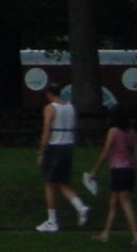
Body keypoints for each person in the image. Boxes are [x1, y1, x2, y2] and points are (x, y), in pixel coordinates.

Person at [39, 82, 92, 233]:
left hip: (55, 147)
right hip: (68, 147)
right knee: (62, 183)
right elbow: (75, 129)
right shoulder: (70, 107)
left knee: (49, 183)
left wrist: (41, 152)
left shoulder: (50, 108)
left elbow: (46, 130)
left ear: (49, 94)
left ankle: (52, 220)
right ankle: (81, 207)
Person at [88, 104, 137, 244]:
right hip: (129, 171)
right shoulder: (132, 133)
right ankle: (105, 234)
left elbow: (105, 153)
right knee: (113, 203)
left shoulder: (113, 131)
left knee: (125, 203)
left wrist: (94, 170)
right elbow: (136, 157)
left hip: (118, 170)